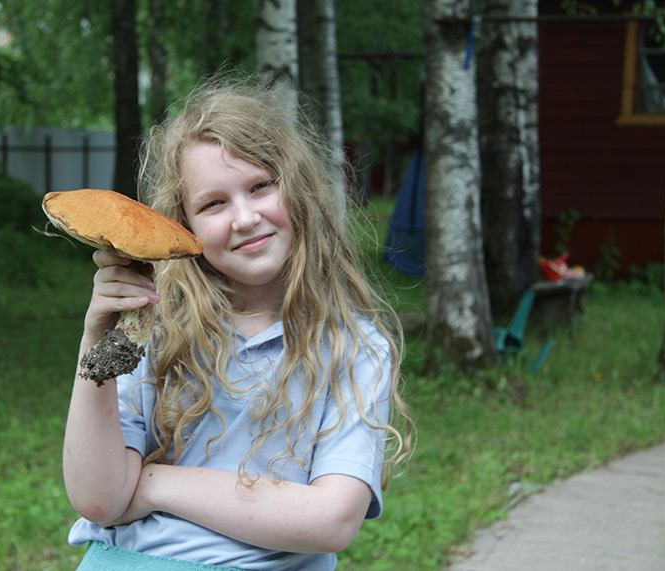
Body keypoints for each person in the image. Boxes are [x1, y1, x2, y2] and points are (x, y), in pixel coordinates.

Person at [63, 77, 414, 570]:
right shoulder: (152, 329)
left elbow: (332, 521)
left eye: (260, 187)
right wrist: (96, 341)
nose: (245, 218)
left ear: (299, 189)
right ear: (183, 224)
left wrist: (155, 483)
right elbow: (99, 498)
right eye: (214, 204)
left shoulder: (352, 346)